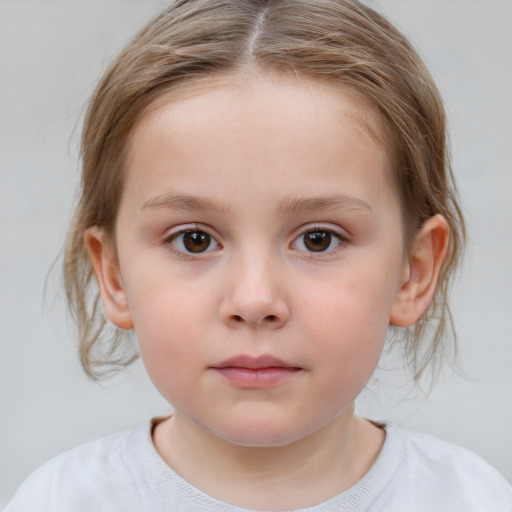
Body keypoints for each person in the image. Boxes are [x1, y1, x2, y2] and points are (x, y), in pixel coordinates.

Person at [4, 0, 511, 510]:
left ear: (414, 272)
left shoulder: (471, 499)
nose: (254, 299)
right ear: (113, 274)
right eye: (194, 239)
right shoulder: (59, 500)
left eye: (319, 239)